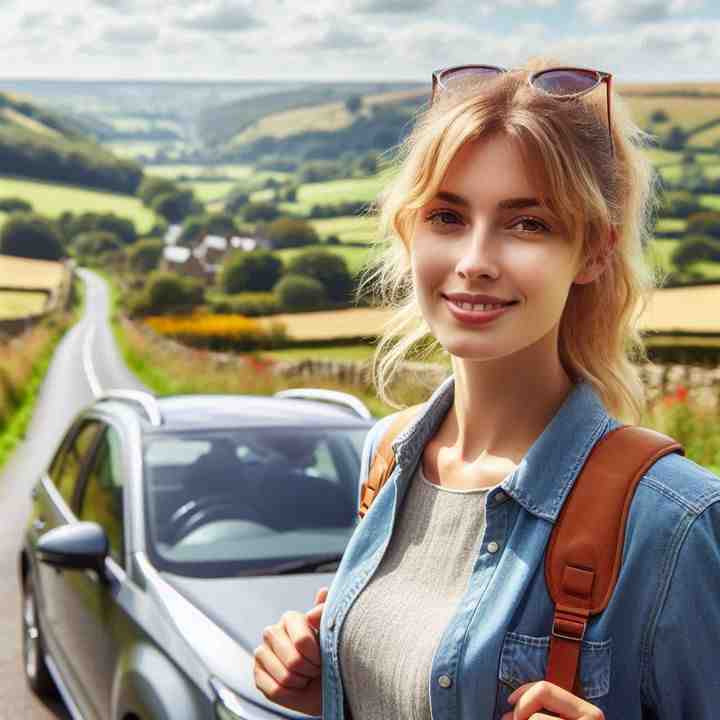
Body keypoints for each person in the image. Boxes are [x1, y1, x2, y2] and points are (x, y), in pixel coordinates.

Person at [252, 57, 720, 720]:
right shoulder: (387, 458)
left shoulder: (674, 521)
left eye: (527, 224)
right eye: (447, 216)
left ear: (593, 252)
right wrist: (332, 679)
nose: (474, 262)